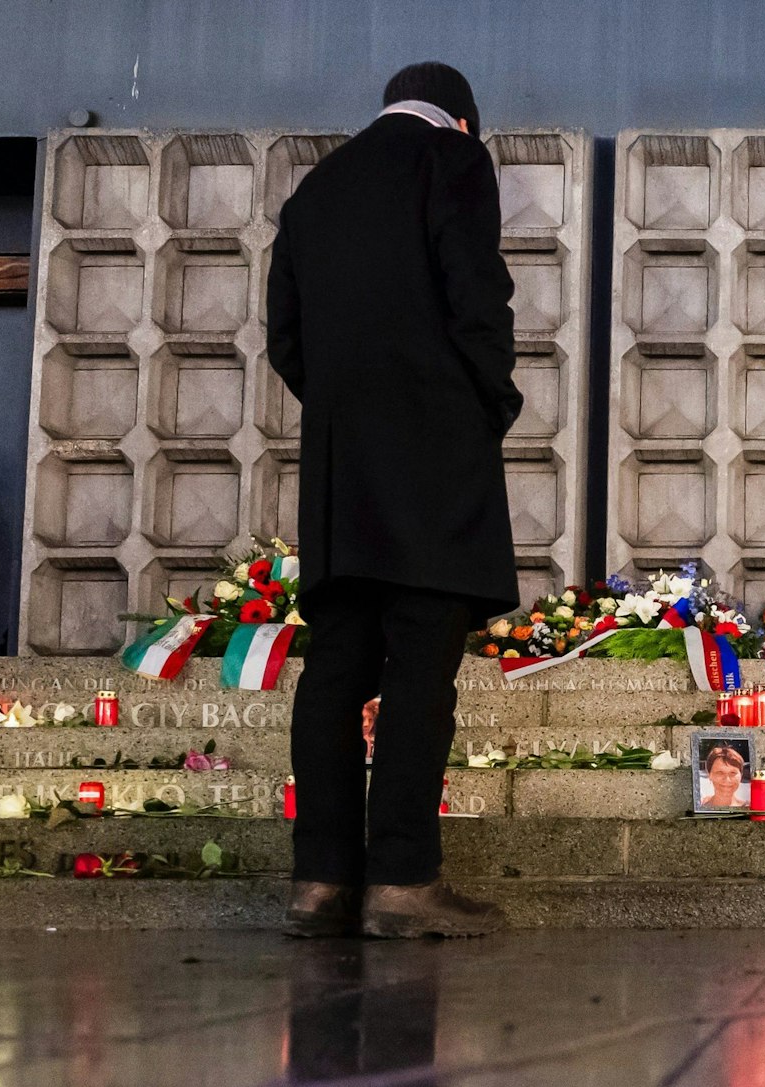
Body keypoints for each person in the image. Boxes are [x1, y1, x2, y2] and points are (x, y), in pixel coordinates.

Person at [269, 61, 520, 940]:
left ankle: (321, 882)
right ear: (461, 119)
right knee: (421, 662)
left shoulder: (316, 189)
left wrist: (348, 410)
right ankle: (406, 881)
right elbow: (476, 291)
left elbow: (286, 337)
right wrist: (488, 400)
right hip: (434, 453)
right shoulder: (452, 161)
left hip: (343, 471)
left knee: (335, 668)